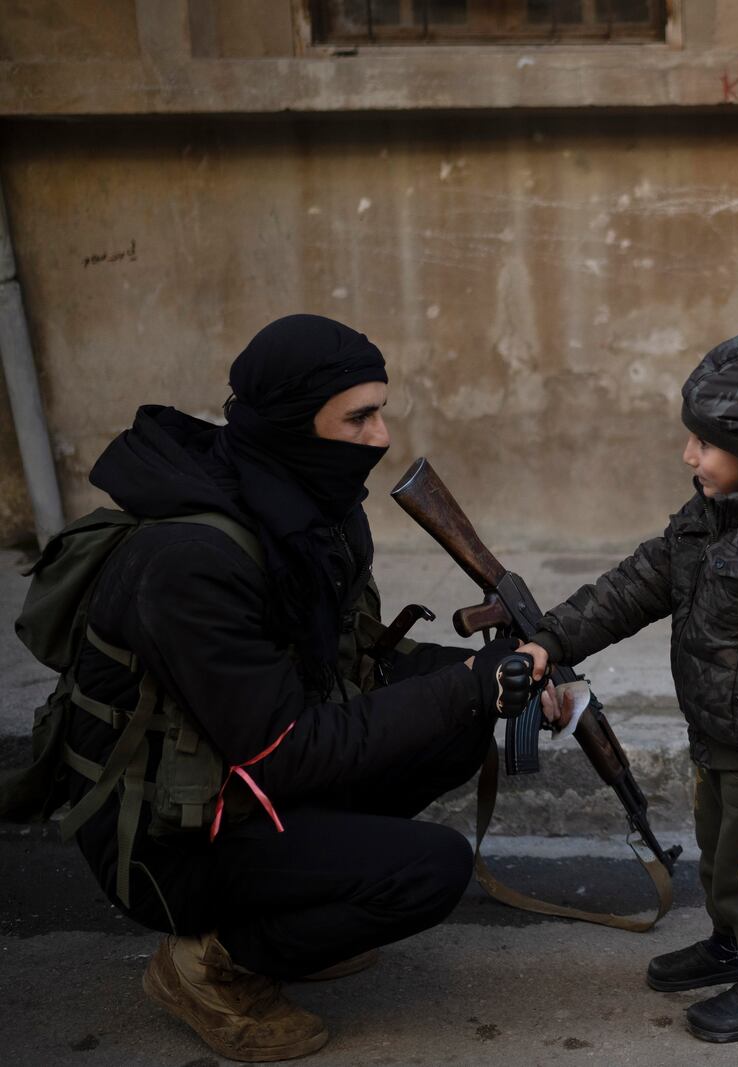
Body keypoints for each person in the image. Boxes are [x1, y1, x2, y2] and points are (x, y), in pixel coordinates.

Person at [51, 315, 558, 1062]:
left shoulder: (309, 512)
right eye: (359, 417)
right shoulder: (190, 560)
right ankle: (210, 961)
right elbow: (282, 750)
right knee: (432, 868)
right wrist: (466, 686)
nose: (382, 436)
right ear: (294, 422)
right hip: (165, 840)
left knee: (457, 724)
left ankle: (291, 915)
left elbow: (359, 662)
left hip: (235, 784)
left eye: (381, 410)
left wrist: (497, 674)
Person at [522, 333, 738, 1043]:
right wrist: (551, 640)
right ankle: (728, 945)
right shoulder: (707, 518)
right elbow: (630, 588)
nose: (689, 456)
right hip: (716, 732)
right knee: (717, 849)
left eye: (704, 444)